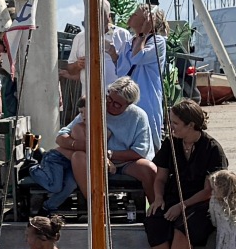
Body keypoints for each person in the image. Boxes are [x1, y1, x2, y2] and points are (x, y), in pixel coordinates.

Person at [144, 99, 226, 249]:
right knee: (154, 220)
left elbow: (209, 190)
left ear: (191, 125)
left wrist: (182, 205)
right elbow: (160, 178)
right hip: (173, 197)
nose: (171, 127)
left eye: (175, 123)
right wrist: (159, 198)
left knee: (186, 225)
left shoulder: (212, 149)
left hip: (200, 201)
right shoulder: (171, 144)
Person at [57, 76, 160, 206]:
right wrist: (82, 146)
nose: (110, 106)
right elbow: (61, 136)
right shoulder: (96, 108)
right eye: (109, 99)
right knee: (78, 157)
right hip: (95, 161)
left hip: (126, 163)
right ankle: (96, 206)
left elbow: (140, 152)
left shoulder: (138, 116)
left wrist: (108, 154)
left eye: (117, 104)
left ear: (128, 104)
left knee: (149, 169)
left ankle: (156, 209)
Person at [123, 4, 169, 135]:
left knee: (149, 143)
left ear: (147, 21)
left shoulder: (157, 41)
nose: (131, 15)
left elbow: (137, 57)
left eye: (135, 14)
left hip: (147, 102)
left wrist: (144, 33)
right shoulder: (129, 42)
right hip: (128, 102)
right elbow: (121, 70)